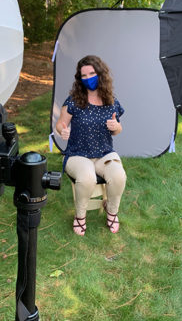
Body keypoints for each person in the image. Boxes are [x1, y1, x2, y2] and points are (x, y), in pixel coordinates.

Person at [56, 55, 127, 236]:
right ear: (80, 79)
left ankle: (112, 212)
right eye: (84, 75)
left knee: (118, 176)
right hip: (77, 154)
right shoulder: (73, 100)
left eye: (92, 73)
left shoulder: (111, 100)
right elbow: (60, 124)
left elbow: (118, 129)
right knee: (87, 178)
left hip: (104, 153)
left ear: (100, 73)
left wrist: (116, 127)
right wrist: (62, 130)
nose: (88, 78)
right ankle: (80, 216)